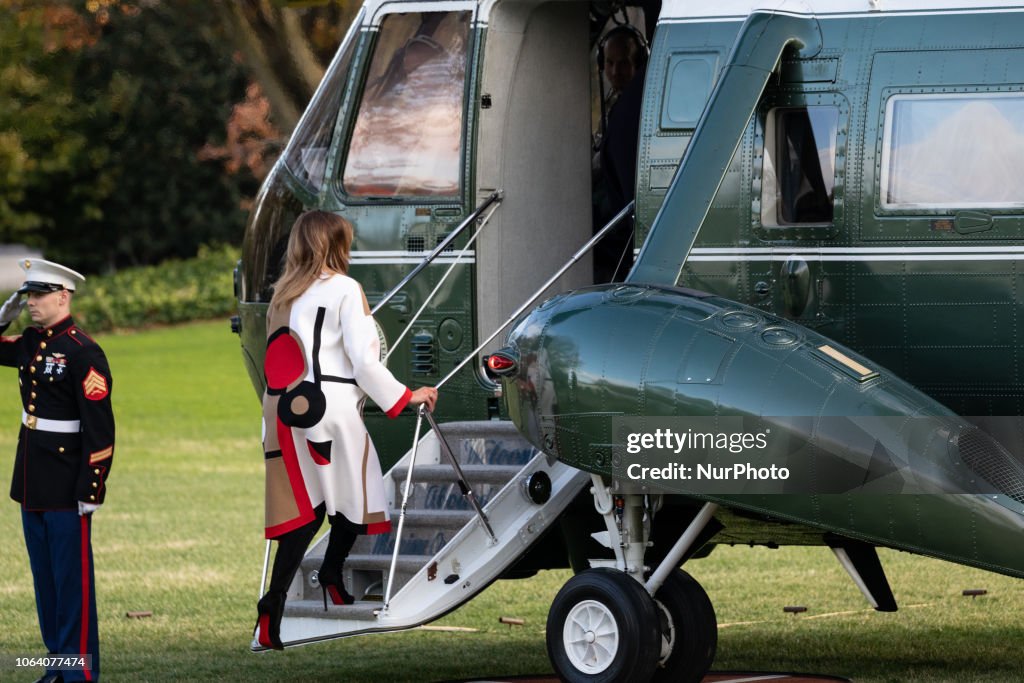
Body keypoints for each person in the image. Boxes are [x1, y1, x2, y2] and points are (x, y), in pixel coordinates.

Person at [254, 210, 438, 650]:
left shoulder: (281, 295)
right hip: (332, 408)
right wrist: (406, 396)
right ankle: (331, 573)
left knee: (309, 508)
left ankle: (278, 600)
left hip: (283, 411)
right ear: (336, 244)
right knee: (358, 494)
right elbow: (363, 360)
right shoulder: (345, 289)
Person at [0, 259, 114, 683]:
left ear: (63, 296)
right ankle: (57, 665)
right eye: (27, 295)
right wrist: (4, 314)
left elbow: (101, 430)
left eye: (38, 295)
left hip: (68, 483)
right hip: (32, 478)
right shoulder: (31, 343)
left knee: (72, 585)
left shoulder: (84, 351)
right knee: (46, 583)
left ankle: (79, 673)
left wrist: (91, 488)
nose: (31, 302)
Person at [592, 25, 649, 283]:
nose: (616, 71)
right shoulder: (616, 105)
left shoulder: (633, 110)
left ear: (638, 63)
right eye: (610, 63)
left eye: (624, 63)